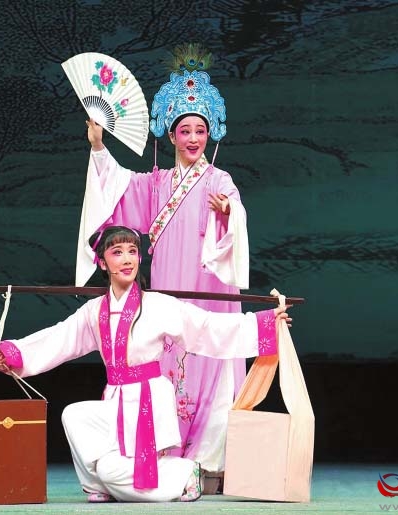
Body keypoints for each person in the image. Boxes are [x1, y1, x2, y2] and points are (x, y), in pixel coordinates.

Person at [0, 226, 290, 503]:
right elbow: (59, 338)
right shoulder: (94, 311)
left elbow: (205, 327)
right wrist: (13, 353)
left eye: (132, 251)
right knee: (74, 416)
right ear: (103, 263)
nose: (127, 259)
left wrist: (263, 325)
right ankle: (101, 484)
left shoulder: (158, 305)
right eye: (117, 252)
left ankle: (184, 472)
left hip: (148, 399)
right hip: (116, 400)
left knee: (112, 471)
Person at [75, 43, 249, 487]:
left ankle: (210, 462)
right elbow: (116, 187)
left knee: (211, 359)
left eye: (200, 130)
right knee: (170, 363)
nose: (193, 138)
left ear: (210, 135)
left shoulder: (220, 179)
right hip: (170, 286)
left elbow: (237, 220)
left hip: (211, 290)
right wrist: (99, 146)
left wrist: (228, 214)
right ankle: (170, 457)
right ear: (170, 136)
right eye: (184, 130)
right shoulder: (156, 184)